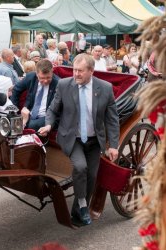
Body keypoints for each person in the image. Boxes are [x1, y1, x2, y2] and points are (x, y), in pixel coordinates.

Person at [39, 53, 119, 226]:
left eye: (80, 71)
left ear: (91, 71)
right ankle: (83, 205)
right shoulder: (64, 85)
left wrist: (113, 145)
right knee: (81, 167)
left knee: (91, 175)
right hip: (71, 138)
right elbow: (52, 110)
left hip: (94, 140)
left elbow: (112, 119)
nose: (76, 74)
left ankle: (77, 210)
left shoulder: (105, 88)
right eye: (74, 70)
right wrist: (49, 125)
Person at [11, 59, 59, 131]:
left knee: (30, 125)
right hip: (29, 113)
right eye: (42, 78)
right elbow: (15, 90)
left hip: (47, 117)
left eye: (48, 77)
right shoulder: (31, 77)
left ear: (52, 72)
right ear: (37, 74)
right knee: (10, 125)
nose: (45, 81)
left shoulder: (58, 83)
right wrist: (14, 111)